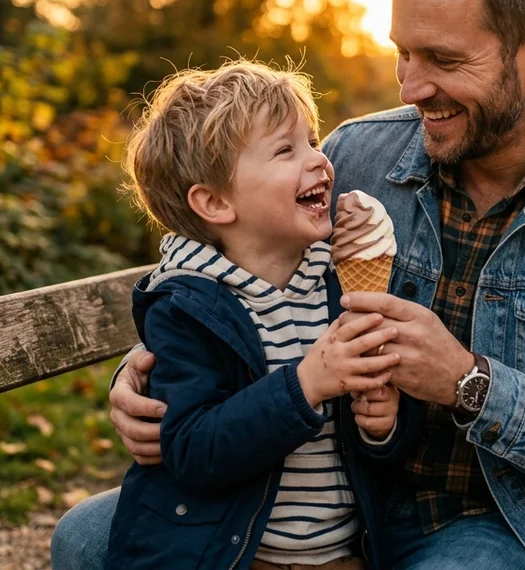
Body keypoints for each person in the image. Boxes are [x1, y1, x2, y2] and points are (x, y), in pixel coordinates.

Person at [54, 0, 525, 570]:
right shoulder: (358, 156)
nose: (413, 86)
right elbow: (240, 273)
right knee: (84, 538)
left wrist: (467, 382)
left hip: (506, 524)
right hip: (340, 501)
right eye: (402, 54)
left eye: (444, 60)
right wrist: (148, 380)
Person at [103, 62, 417, 570]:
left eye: (312, 140)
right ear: (215, 202)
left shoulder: (335, 283)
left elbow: (374, 450)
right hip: (238, 555)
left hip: (341, 555)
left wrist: (384, 426)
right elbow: (192, 451)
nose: (320, 159)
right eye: (285, 149)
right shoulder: (188, 308)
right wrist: (307, 384)